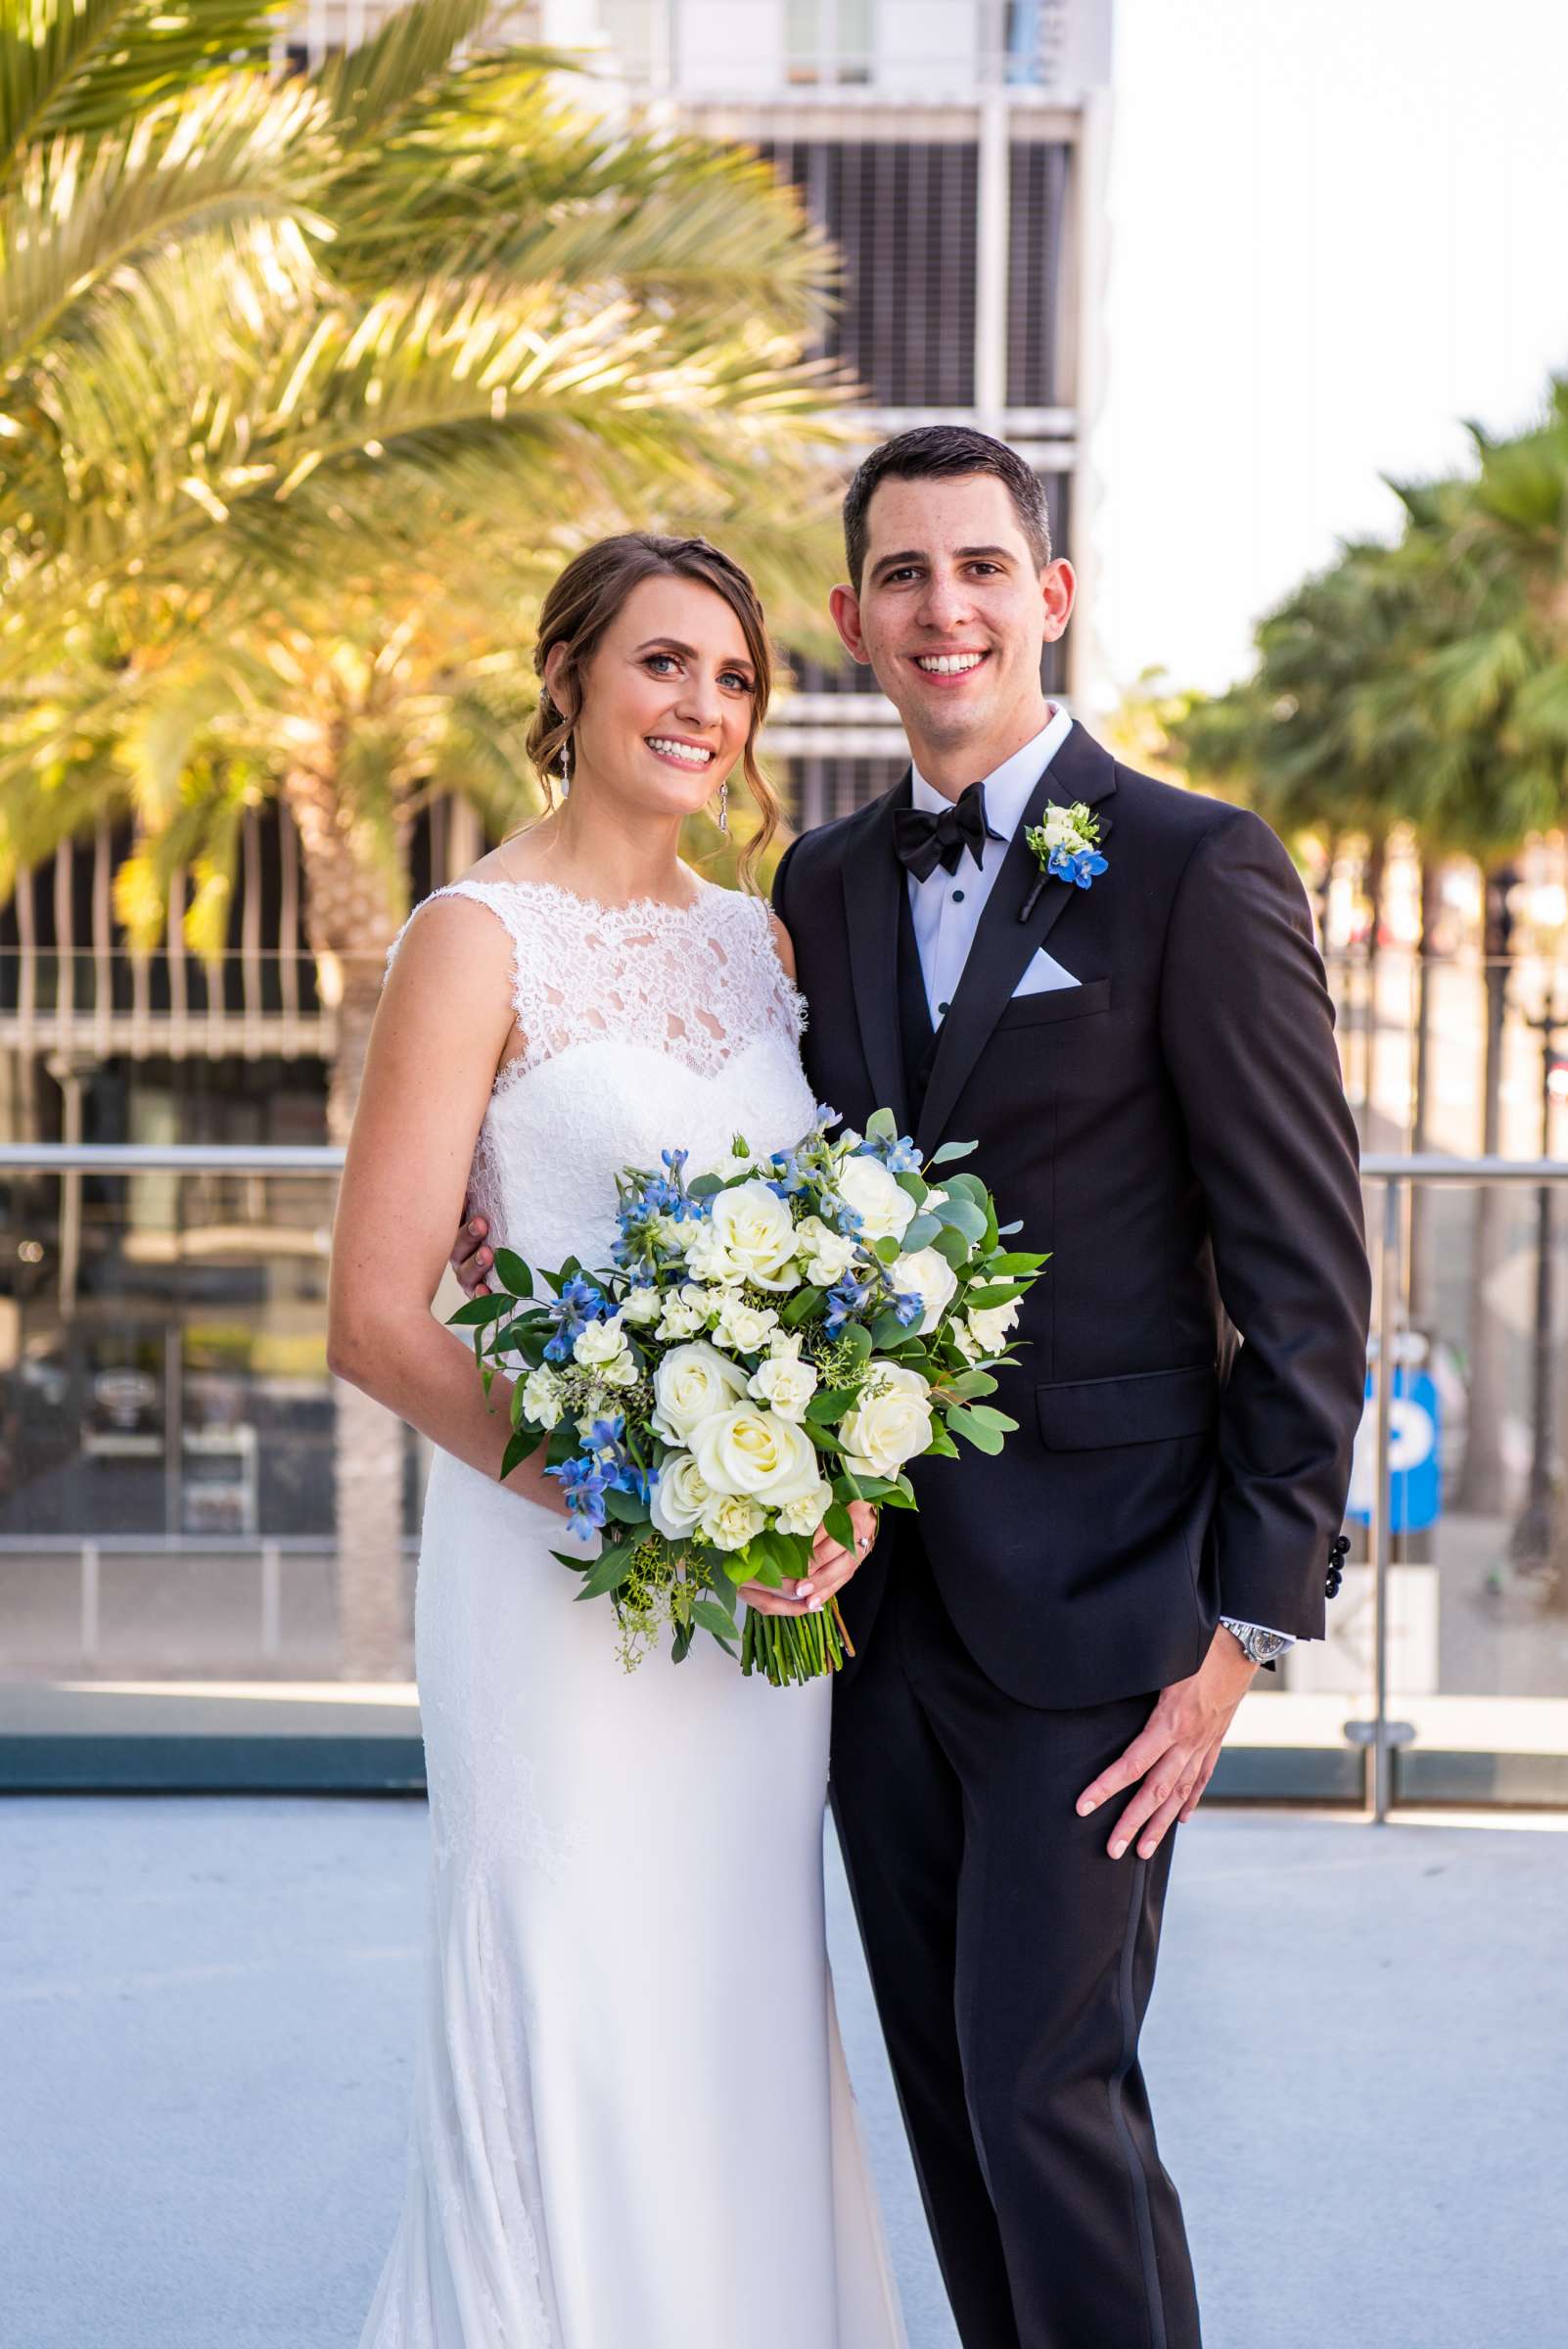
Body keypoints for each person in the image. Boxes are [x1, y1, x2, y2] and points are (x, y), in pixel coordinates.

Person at [451, 428, 1371, 2347]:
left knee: (1057, 2100)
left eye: (978, 567)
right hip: (864, 1619)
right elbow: (744, 1167)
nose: (942, 607)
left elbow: (1304, 1279)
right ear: (862, 617)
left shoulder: (1198, 868)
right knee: (950, 2110)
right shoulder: (825, 886)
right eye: (899, 575)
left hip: (1111, 1621)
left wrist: (1238, 1647)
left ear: (1047, 597)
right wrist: (504, 1210)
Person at [330, 531, 903, 2349]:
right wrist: (648, 1497)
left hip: (760, 1611)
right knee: (569, 1980)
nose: (701, 709)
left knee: (734, 1984)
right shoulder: (471, 938)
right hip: (554, 1562)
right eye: (663, 664)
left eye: (733, 680)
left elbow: (834, 1280)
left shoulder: (767, 940)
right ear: (566, 675)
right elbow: (375, 1315)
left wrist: (833, 1500)